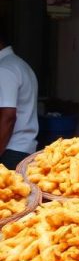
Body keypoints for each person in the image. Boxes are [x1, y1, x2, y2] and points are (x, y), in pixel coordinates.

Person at [0, 31, 39, 170]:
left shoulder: (5, 69)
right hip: (22, 148)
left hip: (9, 150)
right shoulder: (20, 64)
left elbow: (8, 116)